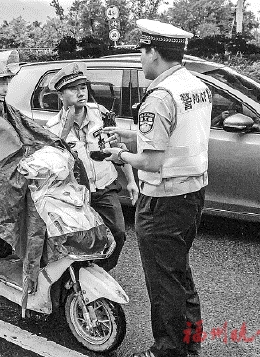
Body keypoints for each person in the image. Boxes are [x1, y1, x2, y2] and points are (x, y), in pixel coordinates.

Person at [102, 19, 212, 357]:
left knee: (163, 282)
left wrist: (117, 153)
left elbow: (151, 162)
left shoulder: (159, 97)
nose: (139, 59)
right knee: (178, 272)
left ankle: (167, 350)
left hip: (163, 200)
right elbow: (172, 137)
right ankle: (189, 343)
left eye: (142, 51)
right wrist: (128, 136)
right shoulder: (194, 85)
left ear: (154, 53)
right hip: (192, 193)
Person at [44, 62, 139, 272]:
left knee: (118, 234)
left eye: (83, 87)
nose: (80, 93)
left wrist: (131, 181)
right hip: (75, 193)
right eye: (73, 89)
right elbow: (52, 163)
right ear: (60, 95)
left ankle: (98, 272)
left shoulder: (101, 114)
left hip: (105, 187)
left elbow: (117, 147)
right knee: (79, 239)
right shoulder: (52, 128)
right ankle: (78, 280)